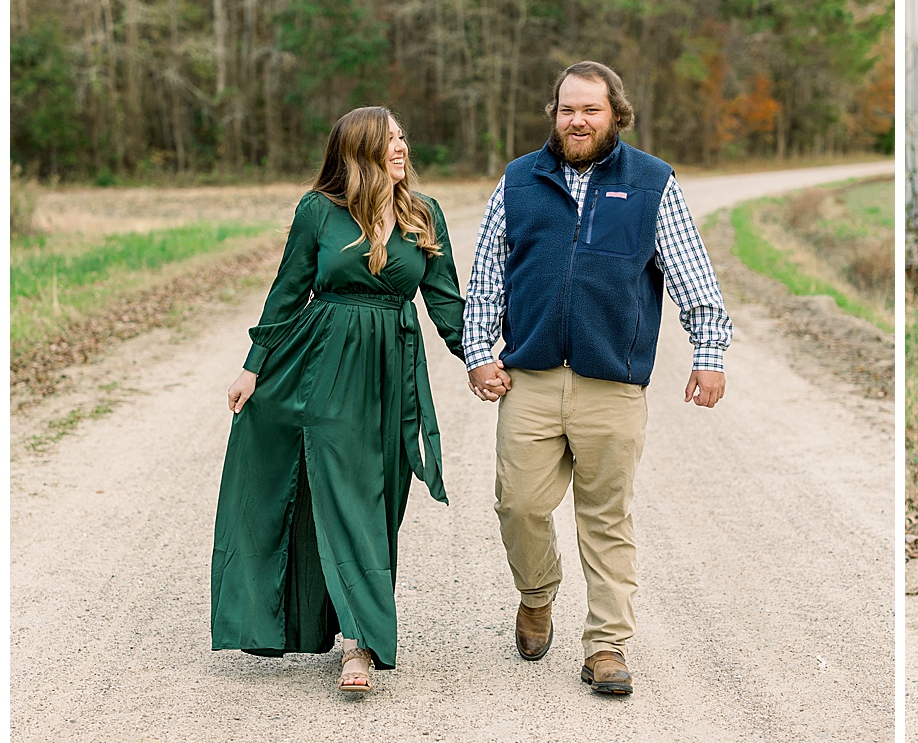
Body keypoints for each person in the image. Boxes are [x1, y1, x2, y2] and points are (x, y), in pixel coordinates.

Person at [462, 61, 732, 697]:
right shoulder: (519, 181)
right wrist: (478, 351)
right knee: (519, 504)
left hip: (612, 383)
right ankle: (536, 594)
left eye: (590, 110)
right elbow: (485, 275)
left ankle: (607, 646)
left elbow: (693, 275)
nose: (576, 121)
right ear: (553, 115)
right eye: (566, 110)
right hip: (529, 378)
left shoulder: (650, 183)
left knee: (606, 517)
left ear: (616, 114)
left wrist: (709, 353)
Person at [212, 107, 465, 694]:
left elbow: (446, 301)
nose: (403, 148)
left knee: (379, 500)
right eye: (390, 141)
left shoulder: (424, 216)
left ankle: (354, 622)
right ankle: (359, 645)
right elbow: (289, 290)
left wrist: (479, 359)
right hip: (322, 366)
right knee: (345, 491)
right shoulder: (318, 212)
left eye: (404, 137)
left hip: (390, 369)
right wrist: (255, 366)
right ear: (359, 153)